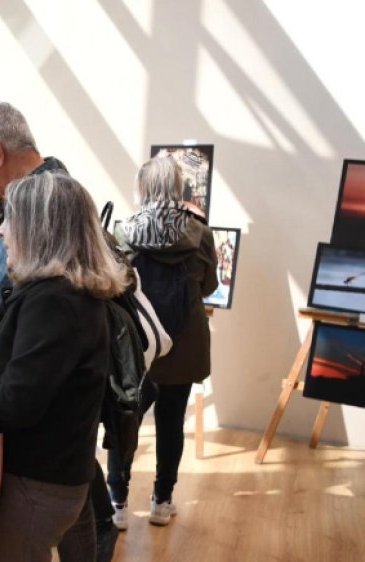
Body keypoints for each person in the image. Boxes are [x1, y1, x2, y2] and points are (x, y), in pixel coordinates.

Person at [0, 101, 120, 561]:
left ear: (39, 230)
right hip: (55, 470)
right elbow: (30, 365)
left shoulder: (55, 300)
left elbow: (19, 401)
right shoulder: (63, 290)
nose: (1, 234)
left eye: (9, 223)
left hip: (38, 477)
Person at [108, 156, 218, 528]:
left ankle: (118, 504)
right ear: (177, 189)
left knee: (125, 421)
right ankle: (161, 501)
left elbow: (115, 287)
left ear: (142, 188)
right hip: (184, 344)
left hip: (137, 348)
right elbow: (209, 287)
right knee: (172, 423)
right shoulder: (201, 234)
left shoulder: (123, 233)